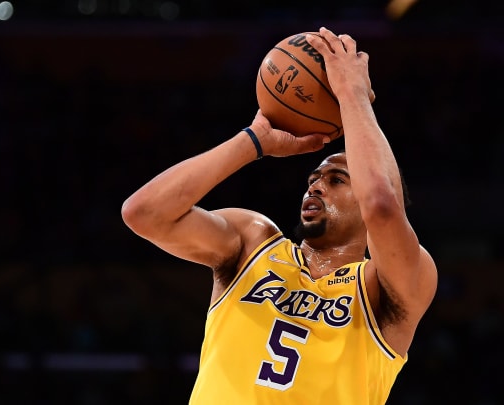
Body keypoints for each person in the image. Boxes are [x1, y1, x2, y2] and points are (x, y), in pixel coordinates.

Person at [121, 27, 438, 405]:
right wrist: (254, 140)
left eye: (336, 179)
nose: (316, 186)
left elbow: (383, 207)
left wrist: (352, 94)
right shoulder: (253, 242)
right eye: (313, 178)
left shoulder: (387, 286)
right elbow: (143, 213)